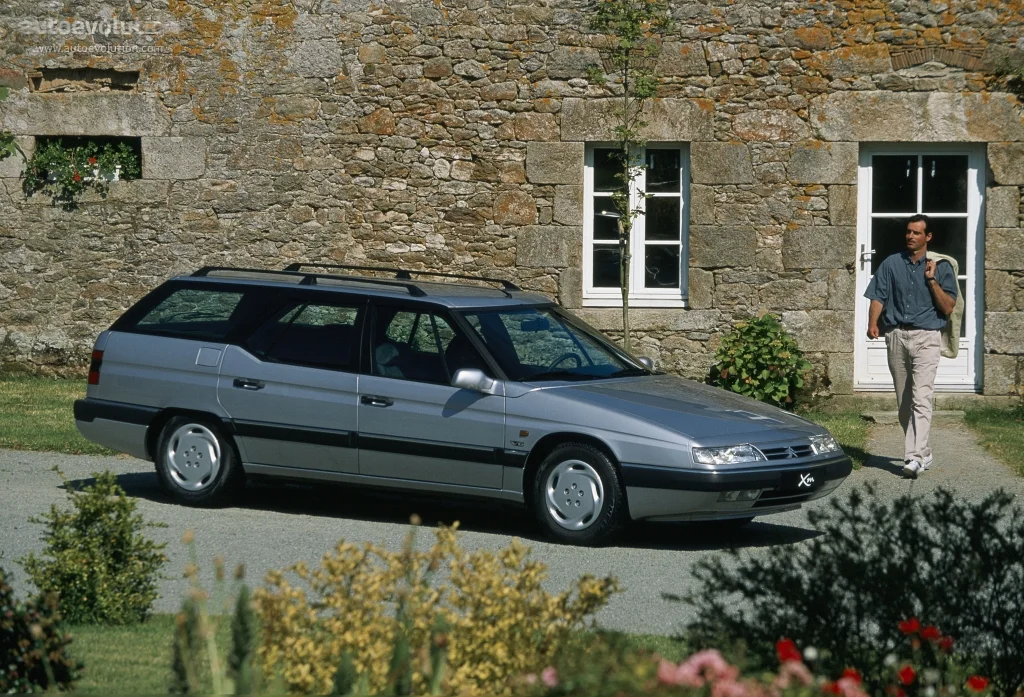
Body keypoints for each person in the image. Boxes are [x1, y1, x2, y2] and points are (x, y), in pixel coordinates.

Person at [864, 214, 957, 479]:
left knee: (921, 397)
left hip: (927, 337)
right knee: (904, 403)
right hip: (896, 335)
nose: (910, 236)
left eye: (916, 232)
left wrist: (932, 280)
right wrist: (873, 323)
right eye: (908, 231)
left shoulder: (942, 267)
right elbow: (878, 296)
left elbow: (948, 307)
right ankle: (924, 451)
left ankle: (913, 458)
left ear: (928, 237)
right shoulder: (891, 263)